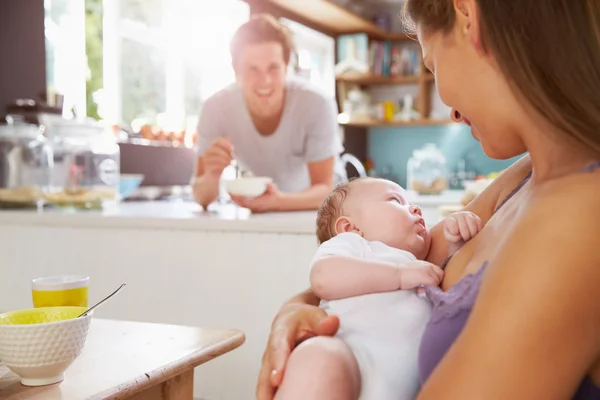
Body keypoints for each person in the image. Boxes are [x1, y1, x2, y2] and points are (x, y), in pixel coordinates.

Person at [257, 1, 600, 399]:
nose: (450, 110)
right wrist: (293, 313)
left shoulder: (579, 217)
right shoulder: (523, 179)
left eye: (432, 65)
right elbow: (380, 263)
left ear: (468, 14)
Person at [273, 177, 481, 400]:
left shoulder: (418, 266)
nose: (414, 208)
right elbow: (323, 277)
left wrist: (457, 241)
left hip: (402, 390)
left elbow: (456, 287)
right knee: (319, 358)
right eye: (395, 200)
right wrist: (399, 275)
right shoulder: (355, 245)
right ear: (350, 227)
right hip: (349, 362)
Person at [192, 14, 346, 213]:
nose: (264, 81)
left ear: (286, 67)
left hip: (318, 212)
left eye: (273, 68)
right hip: (262, 210)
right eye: (252, 69)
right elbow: (201, 198)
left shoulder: (316, 104)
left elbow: (326, 190)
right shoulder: (215, 109)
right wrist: (211, 175)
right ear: (236, 70)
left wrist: (277, 202)